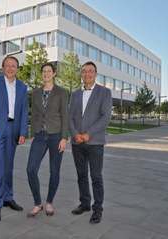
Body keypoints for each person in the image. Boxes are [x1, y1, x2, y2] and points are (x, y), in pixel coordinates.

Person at [0, 55, 29, 223]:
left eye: (14, 66)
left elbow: (24, 111)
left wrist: (23, 132)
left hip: (13, 130)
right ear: (3, 68)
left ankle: (8, 197)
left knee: (8, 167)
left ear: (17, 69)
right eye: (7, 65)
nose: (10, 68)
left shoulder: (23, 87)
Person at [68, 61, 112, 224]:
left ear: (95, 74)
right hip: (77, 142)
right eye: (84, 71)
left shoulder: (104, 92)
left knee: (96, 176)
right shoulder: (75, 94)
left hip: (95, 143)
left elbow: (105, 117)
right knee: (81, 175)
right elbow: (70, 116)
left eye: (90, 71)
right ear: (81, 74)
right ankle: (85, 203)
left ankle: (97, 209)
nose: (87, 74)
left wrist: (88, 134)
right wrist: (75, 134)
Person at [26, 62, 69, 217]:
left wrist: (64, 138)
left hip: (56, 135)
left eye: (49, 71)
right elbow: (35, 114)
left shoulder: (62, 92)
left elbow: (65, 115)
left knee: (54, 170)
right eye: (43, 71)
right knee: (31, 169)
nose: (46, 73)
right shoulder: (36, 92)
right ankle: (38, 203)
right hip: (39, 135)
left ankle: (49, 202)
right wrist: (32, 134)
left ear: (54, 73)